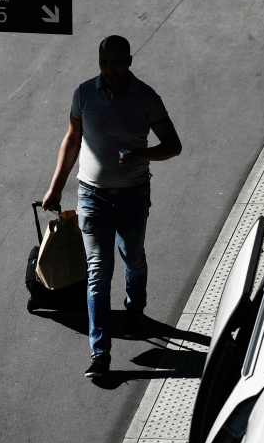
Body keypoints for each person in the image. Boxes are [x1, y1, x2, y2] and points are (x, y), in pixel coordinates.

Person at [42, 35, 182, 379]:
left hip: (133, 193)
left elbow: (173, 145)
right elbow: (73, 139)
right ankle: (100, 353)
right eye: (106, 64)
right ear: (99, 63)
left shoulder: (146, 98)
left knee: (132, 257)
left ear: (130, 61)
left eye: (119, 64)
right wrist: (55, 187)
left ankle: (135, 309)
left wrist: (142, 154)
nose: (112, 71)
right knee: (98, 272)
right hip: (92, 195)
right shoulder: (84, 94)